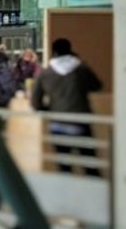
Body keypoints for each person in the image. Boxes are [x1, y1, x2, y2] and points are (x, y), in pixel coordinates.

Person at [32, 38, 104, 176]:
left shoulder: (46, 73)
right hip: (81, 121)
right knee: (90, 164)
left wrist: (49, 110)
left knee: (64, 167)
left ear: (54, 52)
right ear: (70, 49)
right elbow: (97, 85)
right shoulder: (81, 69)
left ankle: (66, 194)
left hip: (58, 124)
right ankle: (93, 194)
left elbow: (35, 102)